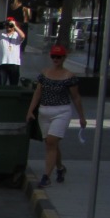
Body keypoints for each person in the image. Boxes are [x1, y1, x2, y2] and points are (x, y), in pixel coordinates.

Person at [24, 43, 86, 187]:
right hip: (44, 112)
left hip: (61, 111)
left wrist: (82, 117)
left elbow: (76, 97)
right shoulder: (45, 73)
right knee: (50, 143)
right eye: (53, 56)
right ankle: (60, 168)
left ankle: (46, 176)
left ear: (64, 58)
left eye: (58, 57)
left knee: (51, 142)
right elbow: (38, 93)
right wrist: (30, 110)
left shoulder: (69, 76)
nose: (56, 59)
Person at [0, 18, 25, 87]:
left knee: (13, 85)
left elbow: (23, 36)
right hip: (2, 63)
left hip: (14, 63)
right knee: (1, 85)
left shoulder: (17, 35)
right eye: (7, 24)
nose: (8, 26)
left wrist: (15, 26)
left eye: (10, 25)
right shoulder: (0, 34)